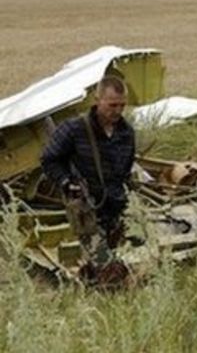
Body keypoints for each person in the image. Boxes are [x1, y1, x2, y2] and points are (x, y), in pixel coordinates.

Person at [41, 75, 135, 285]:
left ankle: (89, 292)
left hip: (114, 209)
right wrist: (66, 182)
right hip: (86, 211)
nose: (118, 111)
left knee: (103, 263)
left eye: (122, 105)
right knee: (111, 272)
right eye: (112, 105)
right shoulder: (74, 129)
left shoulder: (126, 133)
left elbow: (126, 169)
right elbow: (49, 160)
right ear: (97, 99)